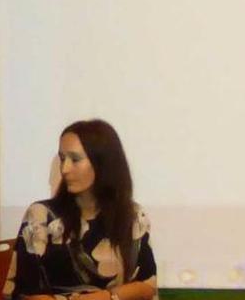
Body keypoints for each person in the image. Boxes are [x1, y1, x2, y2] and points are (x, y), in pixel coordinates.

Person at [12, 120, 157, 300]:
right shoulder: (41, 215)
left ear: (102, 162)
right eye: (62, 158)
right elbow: (26, 292)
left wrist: (108, 297)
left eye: (75, 159)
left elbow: (148, 285)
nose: (64, 169)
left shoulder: (133, 216)